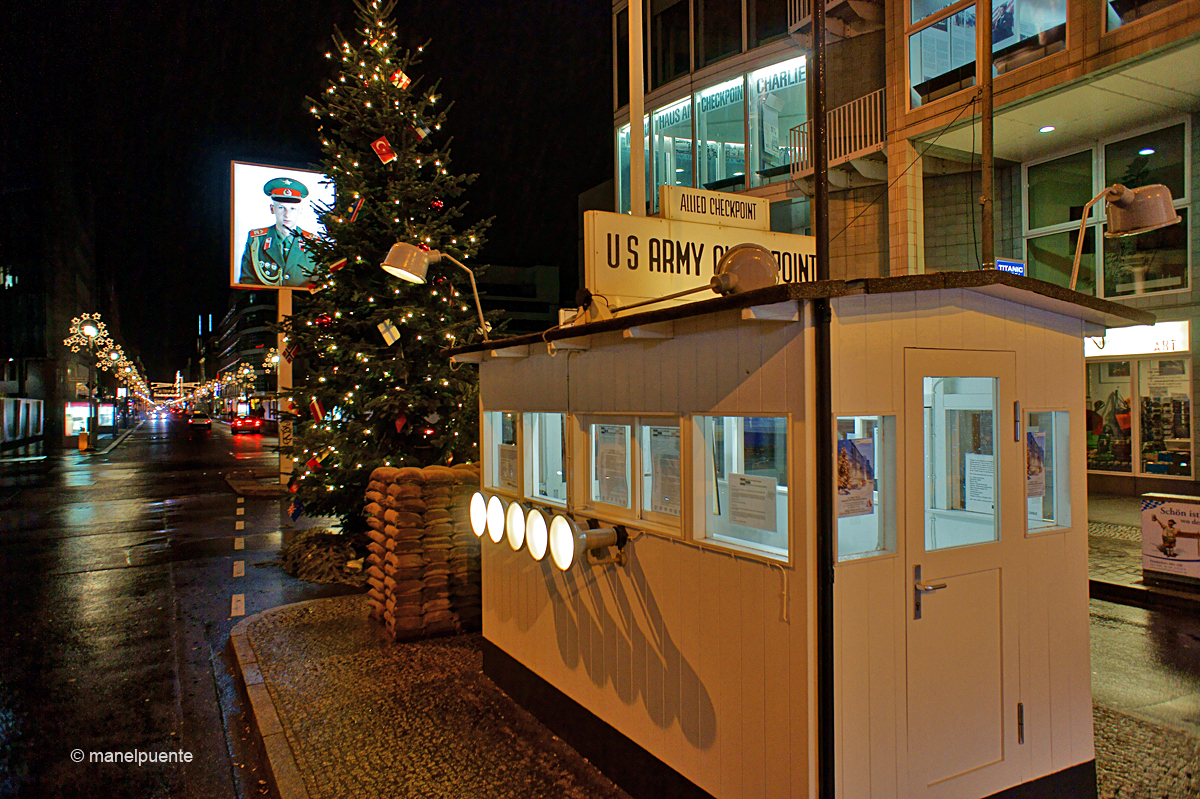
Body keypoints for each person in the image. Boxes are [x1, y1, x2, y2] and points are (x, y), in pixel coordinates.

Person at [239, 177, 319, 287]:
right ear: (272, 209)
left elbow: (318, 284)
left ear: (300, 211)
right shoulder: (257, 240)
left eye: (292, 209)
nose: (287, 214)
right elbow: (247, 282)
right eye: (281, 208)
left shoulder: (313, 243)